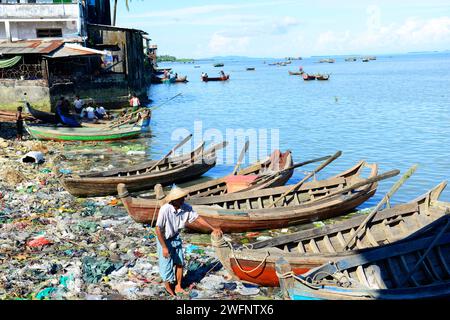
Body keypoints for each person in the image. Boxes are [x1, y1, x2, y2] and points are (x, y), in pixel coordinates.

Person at [155, 186, 222, 297]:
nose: (183, 200)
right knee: (166, 264)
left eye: (183, 198)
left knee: (180, 262)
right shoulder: (165, 209)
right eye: (181, 198)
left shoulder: (185, 208)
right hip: (164, 239)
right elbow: (157, 229)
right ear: (174, 200)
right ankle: (168, 287)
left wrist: (213, 228)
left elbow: (198, 218)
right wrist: (164, 247)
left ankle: (178, 286)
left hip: (175, 237)